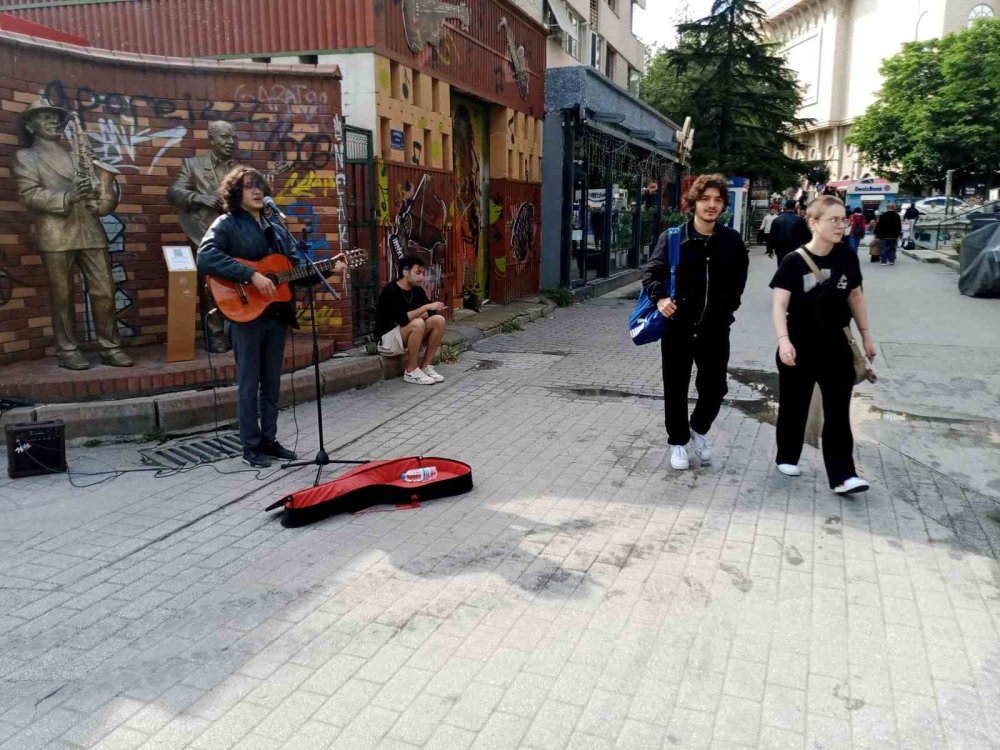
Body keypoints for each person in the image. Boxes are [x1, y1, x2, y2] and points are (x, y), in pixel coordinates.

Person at [197, 166, 343, 468]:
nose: (256, 190)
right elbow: (206, 256)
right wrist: (251, 274)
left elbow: (291, 275)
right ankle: (250, 447)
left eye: (260, 185)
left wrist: (328, 268)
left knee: (272, 383)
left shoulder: (276, 227)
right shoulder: (226, 223)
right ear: (237, 192)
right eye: (249, 186)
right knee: (249, 383)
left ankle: (270, 440)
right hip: (244, 314)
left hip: (275, 314)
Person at [13, 98, 134, 370]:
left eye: (55, 117)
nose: (54, 121)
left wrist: (103, 198)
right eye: (45, 117)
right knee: (63, 295)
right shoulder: (26, 157)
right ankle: (67, 351)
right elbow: (29, 195)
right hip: (56, 234)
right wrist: (68, 197)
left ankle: (110, 347)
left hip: (90, 230)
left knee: (105, 291)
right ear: (31, 126)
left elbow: (102, 194)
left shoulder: (76, 155)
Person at [640, 173, 749, 471]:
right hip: (678, 327)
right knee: (675, 386)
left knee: (715, 388)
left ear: (723, 204)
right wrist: (660, 299)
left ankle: (697, 430)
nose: (711, 205)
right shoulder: (675, 237)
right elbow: (650, 272)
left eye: (717, 200)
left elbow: (739, 280)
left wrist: (727, 309)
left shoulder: (731, 241)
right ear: (694, 203)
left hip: (715, 328)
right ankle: (678, 442)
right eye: (705, 199)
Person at [770, 195, 876, 495]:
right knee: (794, 405)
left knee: (838, 411)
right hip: (799, 346)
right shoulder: (793, 261)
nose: (841, 225)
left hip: (837, 347)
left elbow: (855, 295)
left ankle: (843, 475)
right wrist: (783, 341)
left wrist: (866, 335)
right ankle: (787, 455)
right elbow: (779, 305)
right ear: (813, 223)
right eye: (834, 219)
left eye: (843, 219)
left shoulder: (847, 256)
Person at [167, 120, 239, 353]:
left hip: (232, 235)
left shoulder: (237, 170)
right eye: (225, 137)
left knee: (235, 284)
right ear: (211, 139)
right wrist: (200, 198)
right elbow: (174, 192)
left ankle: (234, 332)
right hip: (202, 234)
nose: (231, 142)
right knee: (209, 286)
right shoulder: (193, 165)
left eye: (233, 137)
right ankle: (215, 335)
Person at [374, 256, 447, 385]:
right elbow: (402, 319)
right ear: (405, 272)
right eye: (418, 273)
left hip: (405, 334)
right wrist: (423, 309)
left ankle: (425, 366)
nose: (421, 277)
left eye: (422, 273)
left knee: (439, 320)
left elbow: (431, 312)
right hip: (387, 339)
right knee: (417, 323)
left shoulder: (416, 289)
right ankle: (411, 371)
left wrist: (422, 311)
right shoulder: (391, 290)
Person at [768, 199, 811, 264]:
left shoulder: (777, 220)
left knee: (781, 266)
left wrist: (769, 249)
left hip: (780, 248)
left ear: (785, 207)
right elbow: (806, 235)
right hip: (794, 247)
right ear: (794, 207)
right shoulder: (799, 220)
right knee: (794, 267)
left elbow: (771, 235)